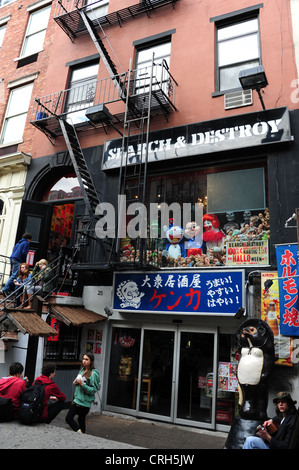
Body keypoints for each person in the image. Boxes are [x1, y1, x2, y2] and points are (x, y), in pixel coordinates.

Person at [65, 352, 100, 433]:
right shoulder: (82, 370)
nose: (84, 361)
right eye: (83, 359)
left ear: (91, 361)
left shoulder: (94, 373)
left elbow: (93, 390)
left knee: (70, 418)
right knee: (80, 420)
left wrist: (82, 385)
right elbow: (80, 382)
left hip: (84, 402)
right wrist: (76, 382)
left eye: (86, 359)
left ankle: (79, 433)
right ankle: (82, 434)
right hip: (77, 398)